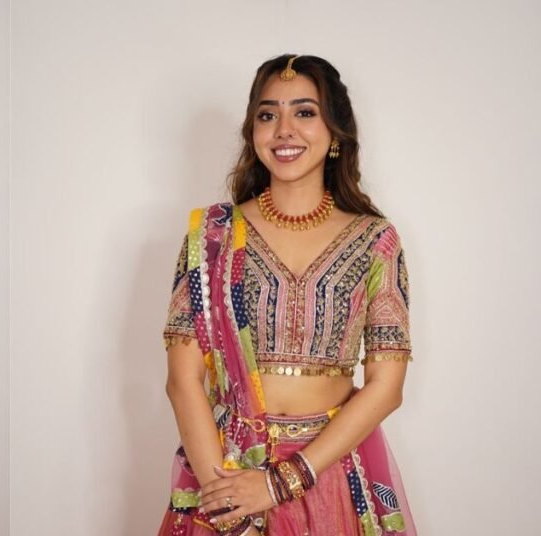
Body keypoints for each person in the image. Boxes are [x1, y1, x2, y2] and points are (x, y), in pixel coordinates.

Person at [158, 55, 416, 535]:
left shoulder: (375, 240)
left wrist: (281, 483)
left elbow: (387, 386)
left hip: (330, 473)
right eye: (267, 114)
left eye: (304, 112)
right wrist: (226, 500)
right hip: (227, 473)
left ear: (335, 131)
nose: (283, 130)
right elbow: (183, 379)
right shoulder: (213, 236)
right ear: (252, 131)